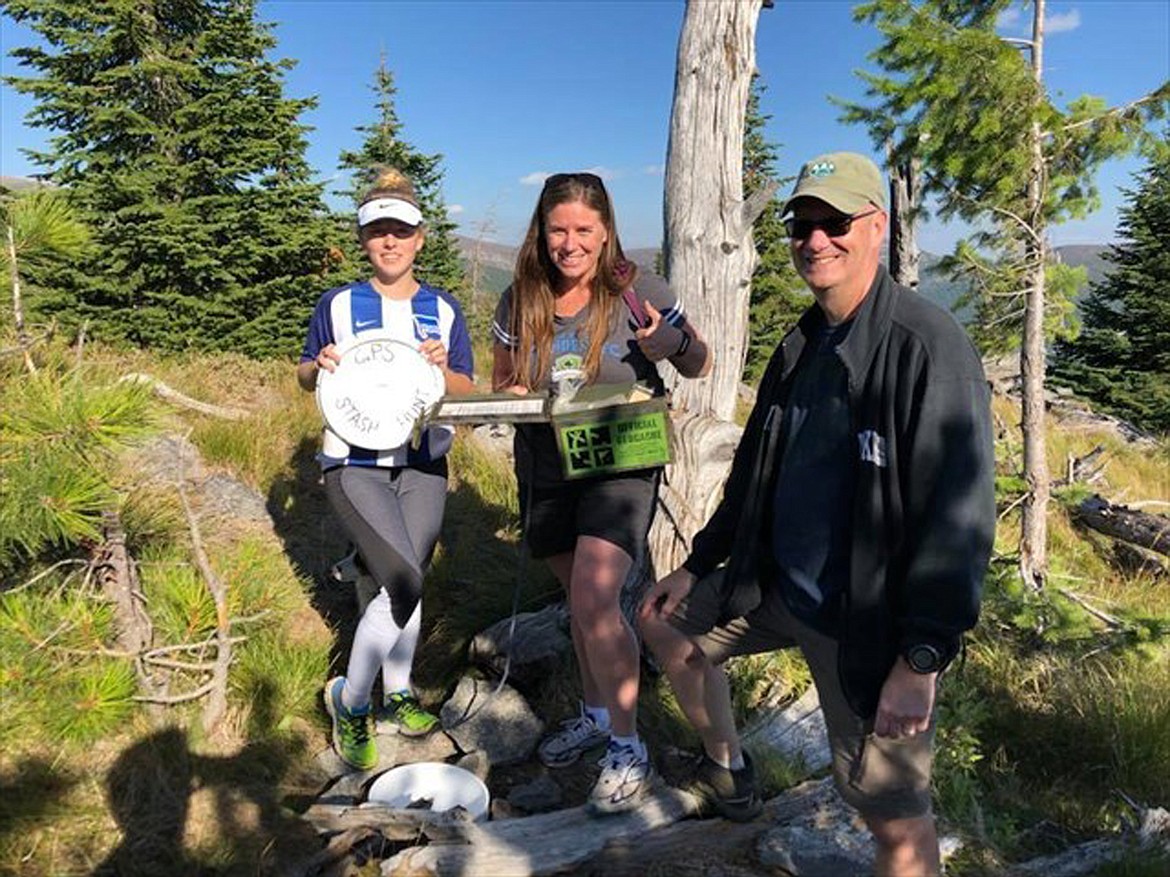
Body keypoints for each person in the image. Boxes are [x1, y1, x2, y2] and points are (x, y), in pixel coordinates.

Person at [639, 152, 995, 875]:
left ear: (876, 227)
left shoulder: (925, 347)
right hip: (775, 585)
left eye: (834, 222)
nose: (815, 239)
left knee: (888, 811)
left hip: (867, 621)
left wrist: (920, 657)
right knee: (660, 622)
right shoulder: (802, 344)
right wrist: (701, 561)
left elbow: (957, 519)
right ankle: (729, 766)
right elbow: (753, 474)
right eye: (802, 224)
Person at [492, 171, 712, 814]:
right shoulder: (520, 298)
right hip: (546, 465)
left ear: (606, 230)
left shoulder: (639, 289)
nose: (569, 243)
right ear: (542, 231)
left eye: (583, 229)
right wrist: (508, 395)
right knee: (579, 599)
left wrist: (660, 338)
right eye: (558, 229)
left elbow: (699, 361)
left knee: (595, 594)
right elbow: (505, 379)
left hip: (621, 460)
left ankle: (627, 746)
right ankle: (594, 715)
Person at [298, 167, 475, 771]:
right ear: (364, 241)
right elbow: (303, 374)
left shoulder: (442, 310)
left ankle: (396, 691)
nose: (390, 242)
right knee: (402, 580)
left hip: (423, 462)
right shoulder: (339, 304)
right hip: (354, 462)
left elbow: (465, 387)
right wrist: (316, 363)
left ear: (420, 237)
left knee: (410, 575)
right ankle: (349, 699)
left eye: (400, 230)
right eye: (378, 233)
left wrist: (442, 368)